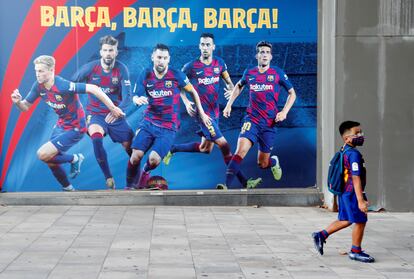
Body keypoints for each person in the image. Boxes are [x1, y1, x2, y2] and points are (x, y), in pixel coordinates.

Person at [162, 33, 261, 189]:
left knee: (205, 149)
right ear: (199, 46)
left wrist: (230, 90)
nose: (205, 47)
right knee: (225, 146)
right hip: (203, 114)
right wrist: (187, 102)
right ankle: (245, 182)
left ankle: (172, 149)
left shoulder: (220, 64)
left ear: (213, 46)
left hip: (215, 113)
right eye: (203, 44)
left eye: (208, 45)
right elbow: (178, 85)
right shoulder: (191, 66)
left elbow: (229, 83)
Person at [11, 55, 124, 191]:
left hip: (77, 126)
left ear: (51, 70)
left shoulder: (62, 85)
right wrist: (18, 102)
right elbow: (25, 107)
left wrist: (112, 108)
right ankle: (68, 188)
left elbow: (94, 88)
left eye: (41, 71)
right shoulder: (38, 86)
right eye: (36, 71)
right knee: (50, 161)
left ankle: (75, 158)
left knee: (42, 154)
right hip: (61, 125)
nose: (38, 74)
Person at [216, 41, 296, 189]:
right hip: (251, 120)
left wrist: (284, 112)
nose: (264, 54)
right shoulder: (250, 72)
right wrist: (228, 105)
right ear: (257, 55)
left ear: (271, 56)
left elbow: (292, 94)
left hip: (269, 124)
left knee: (262, 163)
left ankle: (273, 162)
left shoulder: (277, 73)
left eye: (267, 52)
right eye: (261, 52)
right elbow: (239, 86)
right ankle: (226, 186)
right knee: (240, 150)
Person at [130, 43, 211, 189]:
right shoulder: (146, 74)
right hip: (149, 122)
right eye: (159, 57)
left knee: (153, 160)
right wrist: (137, 100)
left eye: (164, 58)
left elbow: (193, 92)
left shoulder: (176, 75)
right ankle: (129, 186)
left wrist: (199, 111)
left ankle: (145, 173)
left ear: (169, 59)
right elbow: (135, 95)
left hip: (169, 126)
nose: (161, 60)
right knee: (135, 157)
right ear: (153, 57)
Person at [72, 35, 133, 189]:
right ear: (100, 52)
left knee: (131, 149)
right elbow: (70, 86)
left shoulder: (122, 69)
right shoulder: (90, 68)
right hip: (95, 115)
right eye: (105, 50)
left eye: (111, 50)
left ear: (116, 52)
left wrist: (119, 110)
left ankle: (136, 181)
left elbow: (128, 96)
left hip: (115, 115)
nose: (107, 53)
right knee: (96, 138)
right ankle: (109, 178)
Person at [312, 121, 375, 263]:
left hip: (345, 192)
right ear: (346, 138)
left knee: (345, 219)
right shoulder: (353, 154)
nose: (361, 135)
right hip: (352, 192)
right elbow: (356, 177)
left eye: (361, 132)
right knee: (360, 220)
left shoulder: (344, 149)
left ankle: (321, 235)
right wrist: (360, 200)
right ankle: (355, 251)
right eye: (357, 133)